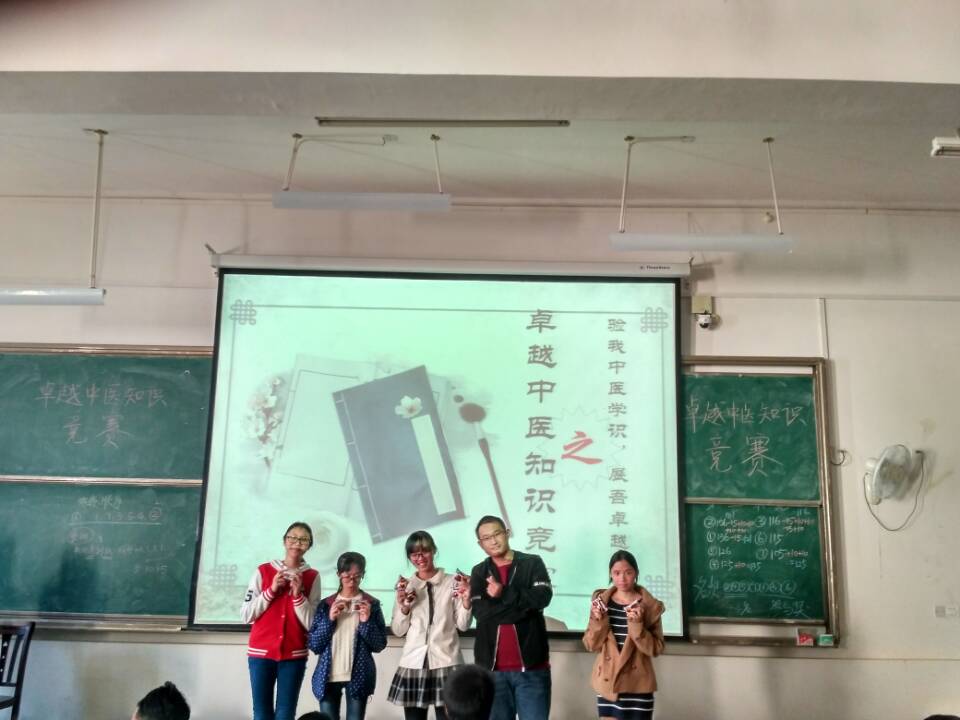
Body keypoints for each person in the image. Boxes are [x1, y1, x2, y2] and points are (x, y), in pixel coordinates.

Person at [469, 515, 553, 720]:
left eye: (497, 534)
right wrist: (523, 609)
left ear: (507, 533)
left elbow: (542, 598)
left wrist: (503, 593)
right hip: (492, 673)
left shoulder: (532, 563)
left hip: (532, 670)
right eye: (486, 538)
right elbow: (481, 613)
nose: (493, 541)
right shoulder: (479, 572)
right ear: (480, 544)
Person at [241, 521, 323, 720]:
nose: (297, 543)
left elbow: (312, 624)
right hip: (261, 654)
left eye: (303, 540)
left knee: (286, 713)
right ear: (284, 541)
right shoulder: (263, 571)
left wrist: (298, 596)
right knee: (261, 712)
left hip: (294, 656)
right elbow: (246, 615)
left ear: (309, 546)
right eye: (292, 538)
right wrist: (270, 591)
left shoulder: (312, 576)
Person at [388, 530, 473, 719]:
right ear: (409, 557)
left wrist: (467, 600)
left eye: (424, 551)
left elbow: (463, 625)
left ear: (434, 550)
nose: (420, 558)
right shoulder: (406, 586)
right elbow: (398, 630)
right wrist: (404, 608)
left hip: (447, 661)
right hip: (413, 662)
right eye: (414, 554)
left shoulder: (452, 582)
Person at [582, 550, 665, 720]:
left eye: (628, 572)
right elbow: (591, 645)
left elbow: (656, 649)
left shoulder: (649, 605)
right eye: (617, 573)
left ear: (636, 573)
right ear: (610, 574)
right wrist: (598, 620)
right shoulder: (601, 603)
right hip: (608, 682)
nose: (622, 578)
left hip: (638, 685)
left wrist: (637, 625)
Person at [308, 551, 387, 720]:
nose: (352, 581)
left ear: (363, 575)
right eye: (347, 576)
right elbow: (314, 645)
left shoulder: (371, 604)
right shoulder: (326, 605)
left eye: (357, 576)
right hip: (327, 676)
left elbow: (379, 644)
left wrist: (366, 622)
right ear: (338, 574)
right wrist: (330, 619)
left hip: (359, 675)